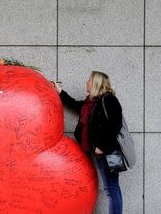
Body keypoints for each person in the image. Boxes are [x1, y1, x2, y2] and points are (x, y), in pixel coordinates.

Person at [51, 71, 123, 214]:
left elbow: (115, 125)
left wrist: (101, 147)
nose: (86, 81)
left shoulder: (108, 100)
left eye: (89, 80)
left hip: (109, 153)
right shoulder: (91, 103)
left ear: (96, 83)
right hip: (99, 152)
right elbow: (75, 105)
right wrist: (60, 92)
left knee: (111, 189)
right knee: (111, 188)